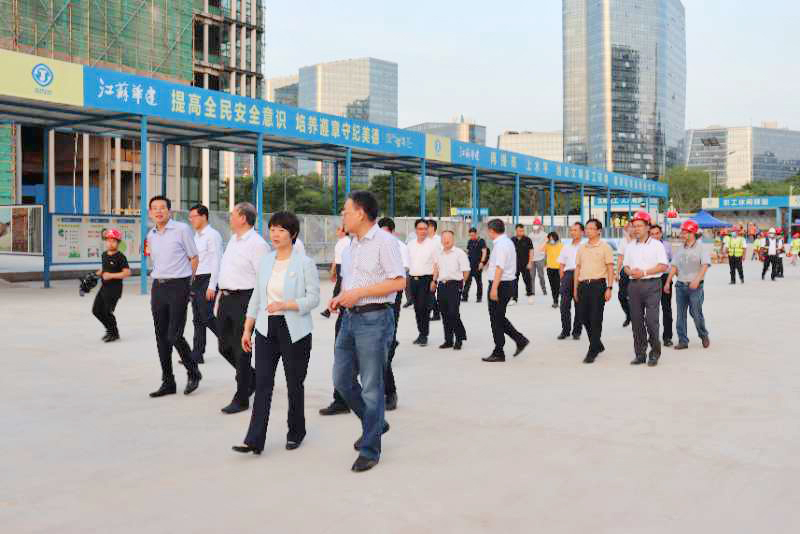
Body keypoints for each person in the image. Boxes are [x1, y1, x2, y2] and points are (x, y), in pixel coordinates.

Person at [329, 191, 405, 472]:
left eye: (346, 211)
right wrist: (341, 298)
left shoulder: (385, 242)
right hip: (349, 318)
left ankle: (370, 449)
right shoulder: (350, 246)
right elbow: (352, 283)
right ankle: (376, 423)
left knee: (372, 387)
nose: (343, 216)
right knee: (341, 380)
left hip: (375, 319)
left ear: (360, 213)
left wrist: (359, 293)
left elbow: (398, 282)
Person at [233, 211, 320, 455]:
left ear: (293, 234)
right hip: (265, 328)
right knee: (262, 384)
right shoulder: (266, 261)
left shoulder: (304, 263)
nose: (275, 234)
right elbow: (257, 297)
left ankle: (296, 432)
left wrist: (286, 304)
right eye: (272, 229)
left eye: (281, 230)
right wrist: (247, 328)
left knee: (294, 383)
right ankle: (254, 439)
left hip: (295, 330)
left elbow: (313, 298)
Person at [146, 195, 202, 397]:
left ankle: (193, 371)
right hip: (158, 287)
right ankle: (168, 382)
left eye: (162, 207)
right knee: (161, 337)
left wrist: (188, 284)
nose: (158, 211)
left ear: (169, 211)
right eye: (154, 208)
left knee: (174, 335)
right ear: (150, 213)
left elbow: (194, 257)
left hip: (179, 285)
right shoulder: (151, 234)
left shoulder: (182, 229)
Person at [216, 202, 270, 414]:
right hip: (226, 299)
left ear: (243, 218)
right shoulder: (234, 240)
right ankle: (252, 378)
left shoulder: (257, 244)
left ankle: (242, 398)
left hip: (244, 299)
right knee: (224, 347)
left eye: (233, 215)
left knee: (241, 350)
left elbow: (263, 278)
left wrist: (257, 308)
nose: (230, 218)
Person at [623, 211, 669, 366]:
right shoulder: (630, 246)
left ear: (647, 227)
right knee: (636, 321)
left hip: (652, 285)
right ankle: (640, 354)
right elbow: (626, 266)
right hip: (634, 286)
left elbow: (663, 266)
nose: (636, 229)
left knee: (651, 321)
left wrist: (643, 272)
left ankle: (654, 353)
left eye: (639, 226)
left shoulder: (657, 245)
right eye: (634, 226)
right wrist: (631, 272)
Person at [482, 219, 529, 362]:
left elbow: (500, 267)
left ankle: (499, 351)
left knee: (496, 319)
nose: (487, 233)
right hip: (506, 284)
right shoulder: (506, 242)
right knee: (498, 317)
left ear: (492, 231)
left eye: (488, 230)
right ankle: (519, 340)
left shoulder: (501, 245)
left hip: (501, 284)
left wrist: (494, 288)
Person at [573, 219, 615, 363]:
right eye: (587, 228)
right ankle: (597, 343)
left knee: (596, 318)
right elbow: (577, 268)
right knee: (583, 317)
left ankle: (592, 350)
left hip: (598, 286)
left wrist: (609, 287)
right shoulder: (582, 248)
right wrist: (575, 288)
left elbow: (610, 268)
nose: (588, 231)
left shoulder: (605, 247)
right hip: (583, 285)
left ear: (598, 231)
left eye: (591, 228)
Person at [665, 220, 711, 350]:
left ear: (692, 233)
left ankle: (703, 334)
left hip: (696, 287)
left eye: (685, 232)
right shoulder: (680, 249)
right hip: (680, 286)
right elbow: (674, 266)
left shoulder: (701, 248)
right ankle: (683, 340)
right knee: (680, 315)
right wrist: (668, 281)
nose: (682, 235)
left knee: (695, 312)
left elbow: (705, 265)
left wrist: (697, 280)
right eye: (682, 232)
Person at [378, 217, 408, 410]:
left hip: (389, 297)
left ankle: (390, 392)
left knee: (384, 343)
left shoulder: (398, 247)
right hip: (360, 303)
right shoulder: (358, 245)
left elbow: (400, 277)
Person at [188, 204, 222, 363]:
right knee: (197, 319)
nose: (191, 220)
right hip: (196, 280)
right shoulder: (195, 237)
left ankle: (231, 341)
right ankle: (197, 354)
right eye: (190, 217)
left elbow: (216, 261)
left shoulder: (212, 235)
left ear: (203, 216)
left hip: (208, 279)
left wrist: (212, 285)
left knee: (207, 316)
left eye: (194, 216)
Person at [92, 228, 131, 342]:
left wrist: (111, 275)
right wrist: (95, 274)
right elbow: (105, 269)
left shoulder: (120, 257)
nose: (110, 243)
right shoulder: (104, 255)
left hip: (114, 290)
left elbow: (127, 272)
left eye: (113, 241)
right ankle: (110, 330)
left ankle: (114, 333)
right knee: (96, 310)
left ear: (118, 243)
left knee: (106, 312)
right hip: (104, 288)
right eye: (108, 240)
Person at [434, 230, 470, 350]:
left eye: (448, 238)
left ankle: (459, 338)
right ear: (441, 240)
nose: (446, 240)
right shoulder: (439, 253)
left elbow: (466, 271)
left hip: (454, 285)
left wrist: (461, 285)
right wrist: (434, 281)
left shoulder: (459, 253)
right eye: (444, 238)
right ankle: (448, 340)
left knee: (453, 313)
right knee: (444, 314)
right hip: (441, 286)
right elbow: (436, 268)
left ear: (453, 239)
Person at [407, 218, 440, 346]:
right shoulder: (410, 245)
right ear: (416, 230)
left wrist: (434, 280)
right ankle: (421, 332)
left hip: (426, 280)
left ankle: (424, 335)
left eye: (425, 229)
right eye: (420, 229)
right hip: (413, 280)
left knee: (424, 308)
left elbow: (437, 264)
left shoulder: (433, 245)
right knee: (417, 308)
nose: (423, 231)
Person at [557, 223, 584, 340]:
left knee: (579, 305)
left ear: (582, 232)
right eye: (571, 230)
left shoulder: (585, 247)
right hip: (568, 275)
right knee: (564, 305)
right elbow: (561, 264)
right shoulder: (566, 247)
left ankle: (577, 331)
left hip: (581, 275)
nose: (573, 232)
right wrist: (562, 278)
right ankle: (565, 330)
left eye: (575, 230)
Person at [649, 224, 674, 347]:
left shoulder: (667, 245)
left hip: (664, 278)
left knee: (666, 308)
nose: (655, 236)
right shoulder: (645, 246)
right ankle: (652, 337)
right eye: (652, 234)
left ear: (661, 233)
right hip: (650, 278)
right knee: (651, 309)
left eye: (657, 233)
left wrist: (668, 281)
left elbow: (672, 263)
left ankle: (667, 337)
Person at [321, 226, 349, 318]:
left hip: (343, 267)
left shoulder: (347, 242)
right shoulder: (339, 242)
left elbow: (346, 257)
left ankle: (330, 309)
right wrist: (333, 271)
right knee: (338, 289)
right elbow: (336, 258)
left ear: (344, 232)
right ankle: (332, 308)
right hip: (339, 266)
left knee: (338, 289)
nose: (337, 231)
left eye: (339, 229)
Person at [511, 224, 534, 305]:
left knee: (527, 280)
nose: (521, 232)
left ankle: (530, 295)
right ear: (516, 231)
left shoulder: (527, 240)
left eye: (522, 231)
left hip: (525, 264)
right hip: (514, 265)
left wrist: (530, 262)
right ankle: (514, 298)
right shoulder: (512, 240)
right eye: (519, 231)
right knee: (514, 281)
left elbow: (531, 251)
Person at [463, 227, 488, 302]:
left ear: (476, 234)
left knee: (478, 282)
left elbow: (484, 252)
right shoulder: (470, 241)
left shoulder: (481, 241)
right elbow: (468, 252)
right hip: (470, 264)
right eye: (470, 235)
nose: (472, 237)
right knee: (467, 281)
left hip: (478, 264)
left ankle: (479, 297)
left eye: (473, 235)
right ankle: (464, 297)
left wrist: (482, 262)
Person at [617, 222, 634, 327]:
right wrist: (617, 272)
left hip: (636, 271)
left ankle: (637, 317)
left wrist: (628, 237)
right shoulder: (623, 241)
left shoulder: (639, 240)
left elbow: (633, 248)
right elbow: (620, 257)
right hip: (625, 271)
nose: (631, 229)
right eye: (629, 227)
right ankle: (629, 315)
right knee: (622, 296)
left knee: (634, 297)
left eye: (633, 227)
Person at [426, 219, 442, 321]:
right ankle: (436, 313)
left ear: (432, 228)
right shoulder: (425, 240)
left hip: (436, 269)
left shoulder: (439, 240)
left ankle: (436, 313)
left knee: (431, 292)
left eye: (427, 227)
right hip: (426, 269)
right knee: (429, 293)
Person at [529, 218, 548, 297]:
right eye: (534, 224)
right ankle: (532, 291)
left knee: (541, 276)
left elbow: (547, 247)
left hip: (540, 258)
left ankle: (544, 290)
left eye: (537, 224)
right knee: (531, 276)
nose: (535, 226)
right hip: (532, 259)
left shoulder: (545, 235)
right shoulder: (530, 235)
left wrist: (546, 258)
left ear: (540, 225)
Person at [544, 231, 563, 309]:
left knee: (557, 285)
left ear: (556, 238)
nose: (551, 240)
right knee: (552, 286)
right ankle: (555, 301)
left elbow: (563, 257)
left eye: (552, 238)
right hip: (549, 268)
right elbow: (540, 249)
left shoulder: (560, 245)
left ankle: (557, 299)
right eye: (550, 238)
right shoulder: (547, 245)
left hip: (558, 268)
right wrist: (546, 242)